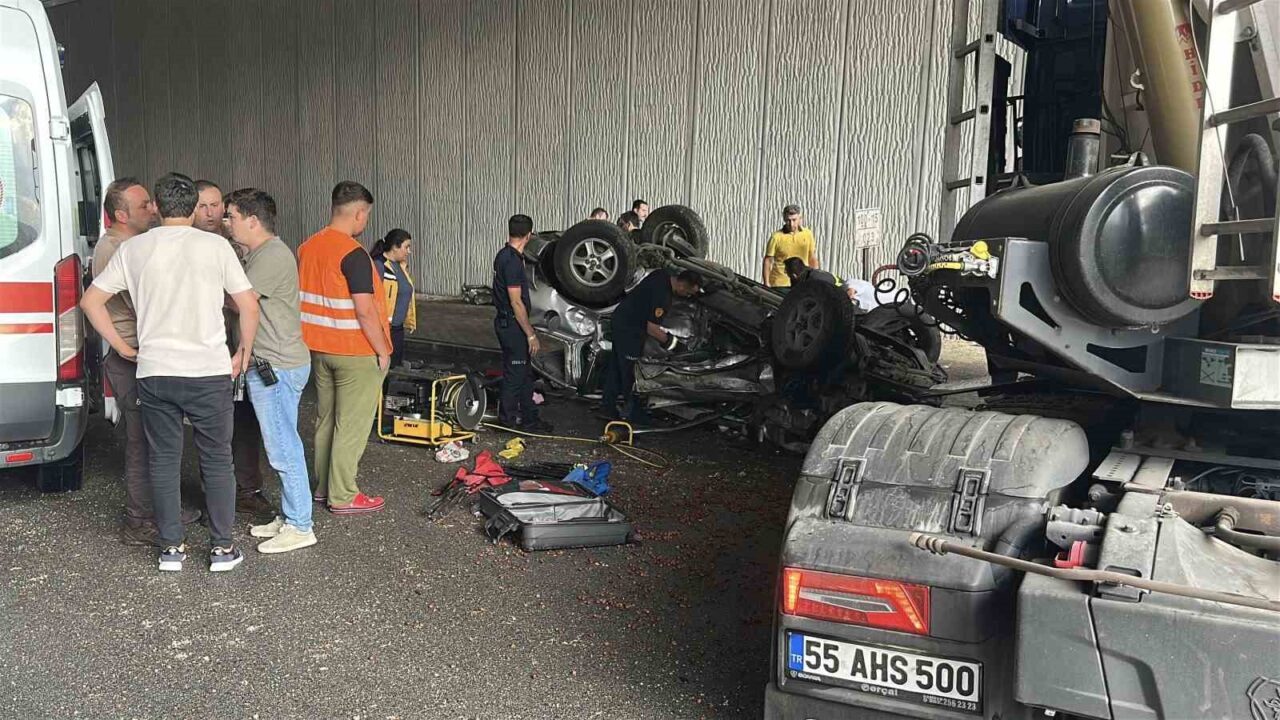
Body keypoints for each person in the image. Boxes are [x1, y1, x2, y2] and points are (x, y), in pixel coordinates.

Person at [82, 172, 259, 573]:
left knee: (162, 458)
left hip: (156, 372)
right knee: (216, 459)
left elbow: (91, 301)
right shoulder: (215, 246)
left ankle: (171, 550)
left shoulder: (135, 249)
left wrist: (126, 347)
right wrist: (242, 353)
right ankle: (221, 549)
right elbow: (248, 305)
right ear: (195, 207)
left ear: (158, 208)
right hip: (208, 372)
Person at [93, 178, 202, 545]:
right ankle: (140, 521)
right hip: (133, 356)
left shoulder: (133, 245)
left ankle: (163, 509)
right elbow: (142, 306)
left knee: (159, 440)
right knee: (142, 441)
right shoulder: (119, 250)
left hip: (142, 354)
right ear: (121, 214)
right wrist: (122, 346)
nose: (153, 210)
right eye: (144, 206)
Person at [225, 189, 317, 554]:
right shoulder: (259, 254)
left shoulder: (272, 255)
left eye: (231, 215)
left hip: (275, 366)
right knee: (280, 443)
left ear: (252, 220)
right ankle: (291, 514)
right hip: (271, 364)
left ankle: (300, 525)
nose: (227, 222)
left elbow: (237, 301)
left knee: (283, 448)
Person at [297, 181, 390, 515]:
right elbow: (365, 310)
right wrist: (382, 349)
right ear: (359, 213)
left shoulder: (308, 247)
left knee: (326, 420)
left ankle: (323, 488)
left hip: (319, 349)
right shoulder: (353, 254)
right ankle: (344, 495)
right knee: (351, 426)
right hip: (355, 351)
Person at [194, 179, 273, 522]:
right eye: (203, 206)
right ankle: (215, 491)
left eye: (218, 207)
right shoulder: (187, 247)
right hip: (203, 345)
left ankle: (246, 490)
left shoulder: (237, 246)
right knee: (208, 423)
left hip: (237, 342)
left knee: (244, 419)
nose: (213, 214)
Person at [599, 269, 702, 424]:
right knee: (631, 372)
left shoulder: (662, 274)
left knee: (616, 365)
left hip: (621, 318)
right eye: (688, 293)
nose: (688, 296)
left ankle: (607, 407)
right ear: (682, 285)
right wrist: (674, 345)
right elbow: (652, 328)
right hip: (630, 328)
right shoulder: (663, 297)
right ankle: (633, 415)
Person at [492, 214, 552, 433]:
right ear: (529, 235)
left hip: (507, 322)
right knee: (515, 375)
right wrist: (530, 334)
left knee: (525, 374)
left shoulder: (504, 255)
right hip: (512, 325)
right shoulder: (512, 262)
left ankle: (530, 419)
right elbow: (516, 302)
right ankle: (507, 422)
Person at [371, 228, 416, 368]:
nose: (409, 251)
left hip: (397, 329)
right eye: (406, 247)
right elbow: (371, 298)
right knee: (383, 370)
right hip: (384, 330)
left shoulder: (400, 266)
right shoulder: (379, 266)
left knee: (394, 368)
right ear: (395, 247)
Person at [783, 257, 878, 310]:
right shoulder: (806, 275)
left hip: (848, 299)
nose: (784, 273)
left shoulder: (815, 279)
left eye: (786, 271)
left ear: (794, 275)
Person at [762, 204, 819, 288]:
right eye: (788, 220)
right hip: (780, 283)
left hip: (802, 282)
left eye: (794, 220)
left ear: (800, 218)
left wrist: (815, 278)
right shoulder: (776, 237)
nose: (791, 224)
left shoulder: (808, 234)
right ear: (784, 219)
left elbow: (812, 257)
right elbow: (768, 260)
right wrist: (766, 282)